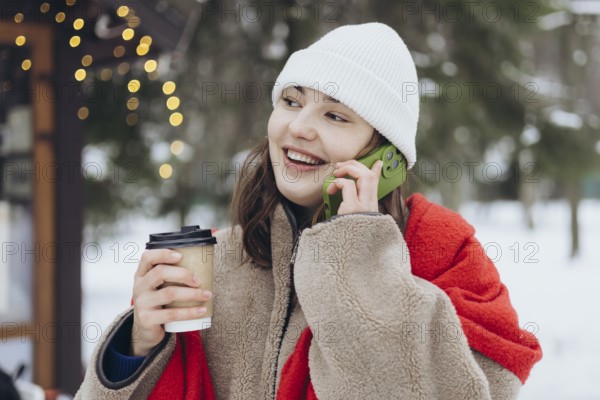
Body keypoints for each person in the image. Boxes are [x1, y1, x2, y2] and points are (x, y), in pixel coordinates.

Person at [76, 23, 542, 399]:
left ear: (387, 157)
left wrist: (358, 258)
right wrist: (137, 348)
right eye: (291, 101)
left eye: (335, 116)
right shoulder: (219, 258)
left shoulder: (444, 251)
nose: (298, 127)